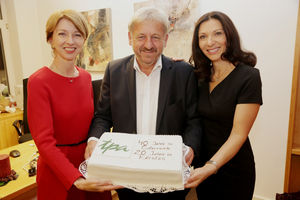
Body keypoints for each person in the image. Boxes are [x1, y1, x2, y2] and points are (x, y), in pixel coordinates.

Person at [84, 7, 202, 200]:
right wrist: (94, 140)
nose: (148, 44)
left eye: (156, 37)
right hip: (127, 181)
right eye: (141, 37)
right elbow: (103, 117)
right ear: (130, 38)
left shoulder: (184, 72)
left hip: (168, 181)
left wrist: (190, 147)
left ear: (165, 40)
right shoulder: (114, 71)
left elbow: (193, 120)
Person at [27, 9, 119, 200]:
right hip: (58, 173)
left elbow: (93, 122)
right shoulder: (38, 82)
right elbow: (44, 143)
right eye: (62, 34)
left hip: (90, 166)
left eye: (77, 35)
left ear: (84, 40)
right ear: (50, 39)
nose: (70, 41)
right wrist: (76, 179)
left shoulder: (85, 77)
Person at [185, 11, 262, 200]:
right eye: (203, 36)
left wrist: (212, 166)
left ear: (229, 35)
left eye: (217, 33)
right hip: (203, 168)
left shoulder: (249, 77)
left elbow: (239, 134)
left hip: (233, 170)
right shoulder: (199, 77)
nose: (210, 42)